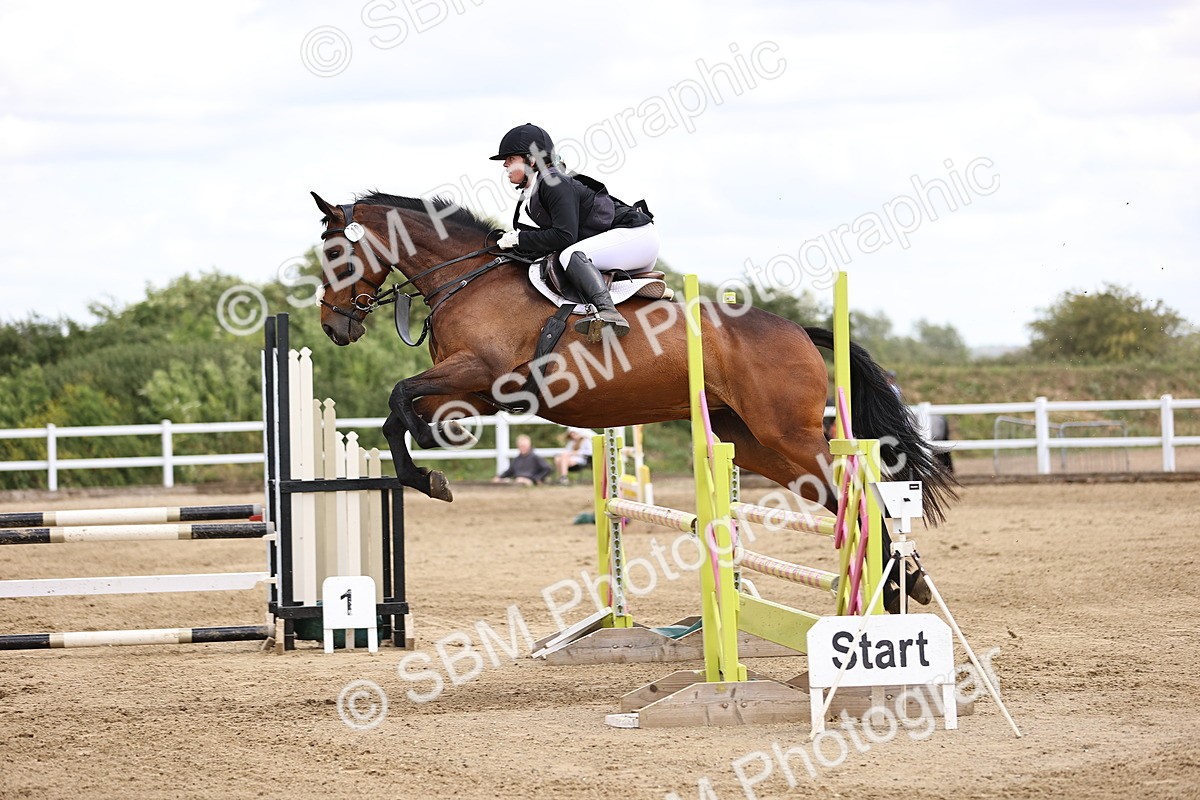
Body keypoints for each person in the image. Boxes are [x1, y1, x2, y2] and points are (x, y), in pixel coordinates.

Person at [489, 123, 659, 342]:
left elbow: (564, 237)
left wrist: (518, 239)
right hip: (622, 245)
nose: (505, 165)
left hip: (636, 237)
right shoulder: (536, 190)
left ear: (531, 160)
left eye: (510, 159)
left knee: (570, 255)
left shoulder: (554, 183)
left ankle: (608, 313)